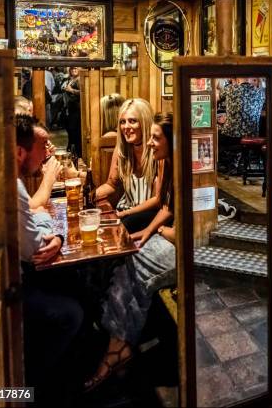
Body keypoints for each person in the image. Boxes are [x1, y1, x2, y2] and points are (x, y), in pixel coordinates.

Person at [84, 113, 176, 392]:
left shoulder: (188, 171)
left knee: (132, 266)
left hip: (182, 246)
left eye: (155, 137)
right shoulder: (167, 163)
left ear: (172, 141)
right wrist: (142, 235)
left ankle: (116, 350)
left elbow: (181, 230)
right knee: (125, 257)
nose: (149, 143)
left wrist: (155, 232)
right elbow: (166, 208)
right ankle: (117, 343)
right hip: (163, 234)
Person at [15, 114, 83, 394]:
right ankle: (32, 389)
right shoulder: (12, 185)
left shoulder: (14, 181)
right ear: (20, 152)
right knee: (72, 312)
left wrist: (50, 230)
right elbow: (36, 250)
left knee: (75, 282)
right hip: (11, 287)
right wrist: (53, 232)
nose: (48, 153)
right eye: (43, 147)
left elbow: (36, 218)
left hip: (21, 273)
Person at [95, 98, 160, 232]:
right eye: (122, 122)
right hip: (126, 212)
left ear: (145, 123)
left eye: (132, 121)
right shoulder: (121, 150)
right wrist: (88, 197)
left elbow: (156, 201)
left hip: (147, 215)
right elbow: (111, 185)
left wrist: (125, 214)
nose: (126, 127)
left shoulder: (157, 151)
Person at [63, 66, 81, 157]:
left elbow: (83, 92)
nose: (74, 70)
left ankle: (75, 151)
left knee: (74, 130)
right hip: (71, 108)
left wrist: (71, 90)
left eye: (76, 68)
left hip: (77, 109)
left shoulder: (79, 79)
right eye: (72, 69)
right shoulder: (71, 79)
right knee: (71, 129)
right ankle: (72, 148)